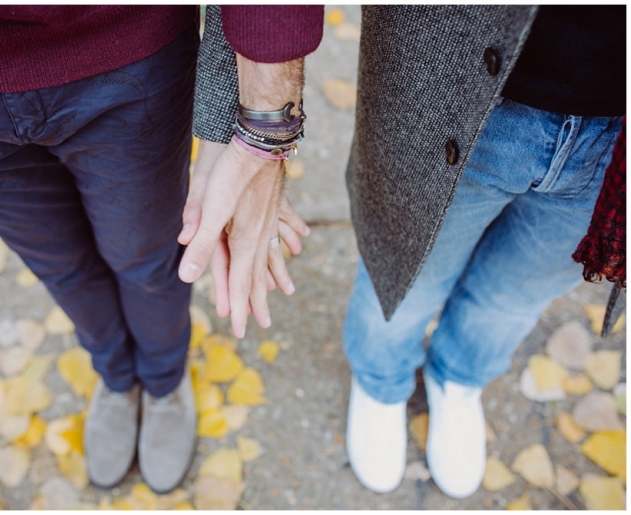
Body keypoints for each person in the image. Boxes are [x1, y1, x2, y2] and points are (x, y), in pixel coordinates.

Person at [0, 5, 323, 493]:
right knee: (59, 264)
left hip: (118, 47)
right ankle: (117, 376)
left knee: (147, 259)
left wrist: (267, 121)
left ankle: (164, 381)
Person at [182, 5, 625, 499]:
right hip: (454, 88)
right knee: (405, 273)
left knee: (517, 294)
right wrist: (250, 124)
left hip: (617, 152)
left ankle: (459, 377)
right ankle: (381, 379)